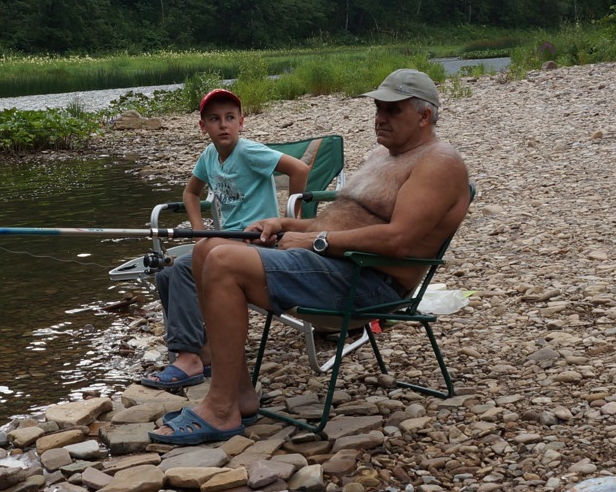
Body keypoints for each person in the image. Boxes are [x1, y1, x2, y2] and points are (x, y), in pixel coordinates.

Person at [150, 68, 471, 445]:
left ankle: (220, 411)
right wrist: (285, 223)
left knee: (223, 262)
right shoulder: (383, 156)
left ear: (424, 116)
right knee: (206, 251)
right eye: (378, 108)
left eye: (392, 110)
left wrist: (314, 241)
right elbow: (339, 222)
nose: (379, 118)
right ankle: (237, 396)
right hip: (335, 266)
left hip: (369, 284)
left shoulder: (439, 162)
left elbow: (399, 239)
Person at [138, 87, 308, 391]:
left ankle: (189, 360)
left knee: (185, 268)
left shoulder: (249, 151)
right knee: (165, 273)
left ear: (241, 122)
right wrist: (197, 229)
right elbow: (190, 193)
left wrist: (287, 223)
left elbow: (299, 168)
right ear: (204, 127)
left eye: (230, 117)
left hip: (255, 242)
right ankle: (200, 351)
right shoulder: (208, 157)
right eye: (215, 119)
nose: (224, 124)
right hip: (224, 239)